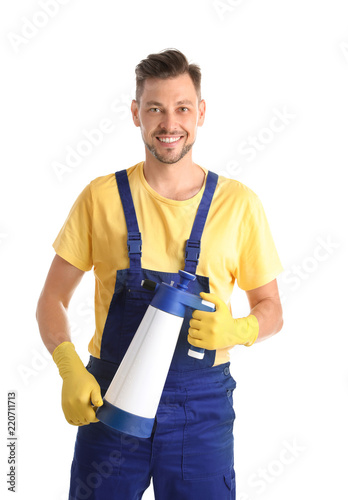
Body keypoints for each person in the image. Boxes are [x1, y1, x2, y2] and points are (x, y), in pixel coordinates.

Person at [36, 48, 284, 500]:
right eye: (155, 109)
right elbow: (51, 300)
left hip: (200, 415)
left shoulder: (239, 204)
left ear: (201, 112)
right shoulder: (100, 197)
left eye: (182, 108)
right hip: (109, 405)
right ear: (136, 113)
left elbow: (272, 310)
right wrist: (68, 366)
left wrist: (242, 327)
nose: (170, 124)